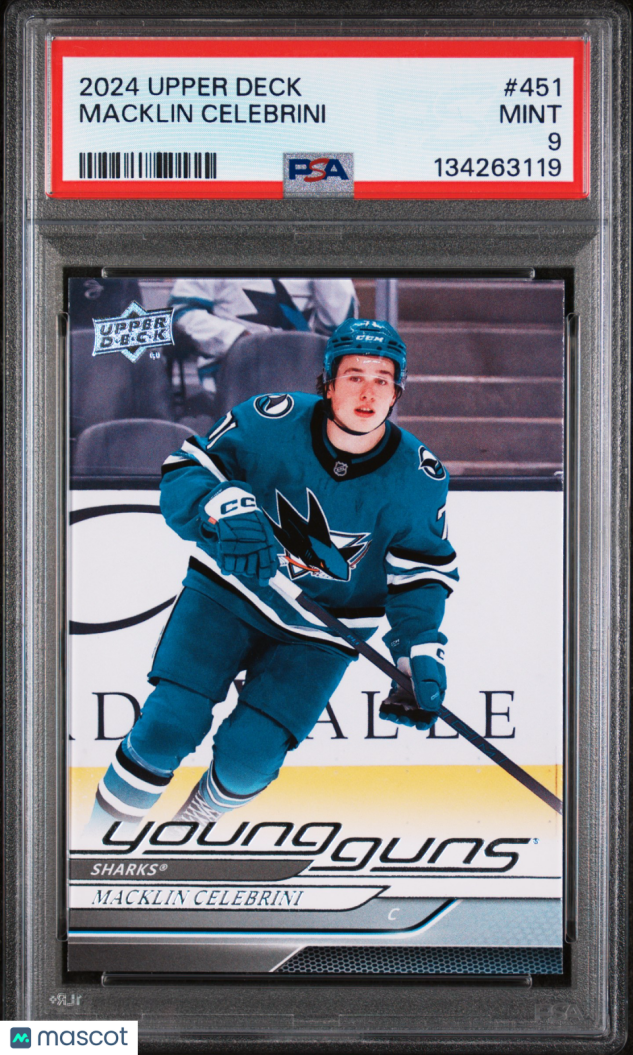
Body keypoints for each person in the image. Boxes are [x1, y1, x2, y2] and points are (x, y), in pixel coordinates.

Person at [89, 318, 459, 830]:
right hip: (228, 593)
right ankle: (101, 843)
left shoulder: (419, 475)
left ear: (398, 391)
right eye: (354, 376)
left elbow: (419, 573)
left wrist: (416, 650)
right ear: (327, 383)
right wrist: (220, 504)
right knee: (167, 727)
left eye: (382, 379)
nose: (368, 392)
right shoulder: (269, 420)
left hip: (323, 629)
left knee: (250, 760)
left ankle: (185, 836)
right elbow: (184, 471)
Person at [169, 276, 358, 391]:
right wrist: (241, 339)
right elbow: (181, 311)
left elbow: (340, 325)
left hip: (301, 372)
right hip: (234, 371)